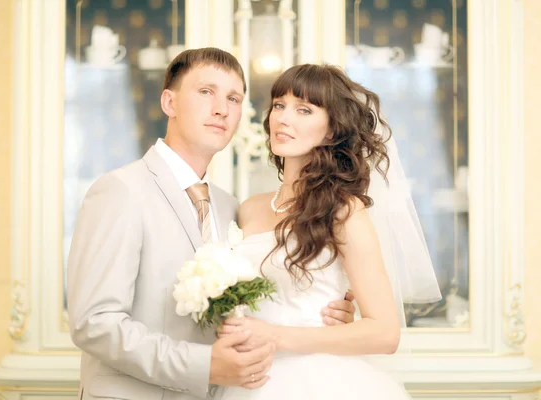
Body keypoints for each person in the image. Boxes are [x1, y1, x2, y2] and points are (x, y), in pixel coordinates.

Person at [67, 48, 355, 400]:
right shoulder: (120, 190)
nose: (222, 108)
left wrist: (321, 314)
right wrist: (203, 366)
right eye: (206, 92)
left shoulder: (229, 207)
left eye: (234, 98)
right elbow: (94, 323)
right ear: (169, 103)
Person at [217, 64, 442, 399]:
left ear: (332, 129)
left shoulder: (343, 211)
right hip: (245, 378)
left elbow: (385, 333)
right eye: (279, 105)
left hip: (318, 380)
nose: (283, 118)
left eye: (303, 109)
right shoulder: (248, 207)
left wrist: (275, 335)